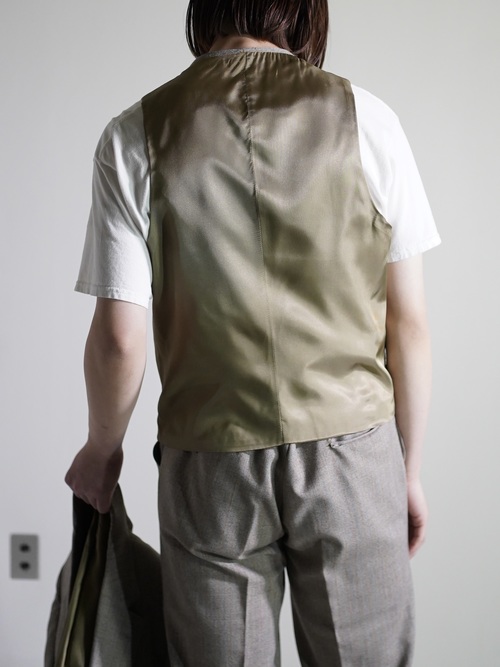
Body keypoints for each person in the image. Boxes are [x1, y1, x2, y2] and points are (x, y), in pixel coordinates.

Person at [65, 0, 441, 664]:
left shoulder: (134, 134)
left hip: (210, 462)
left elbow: (120, 338)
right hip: (352, 456)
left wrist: (102, 449)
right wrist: (407, 470)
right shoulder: (368, 119)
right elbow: (407, 322)